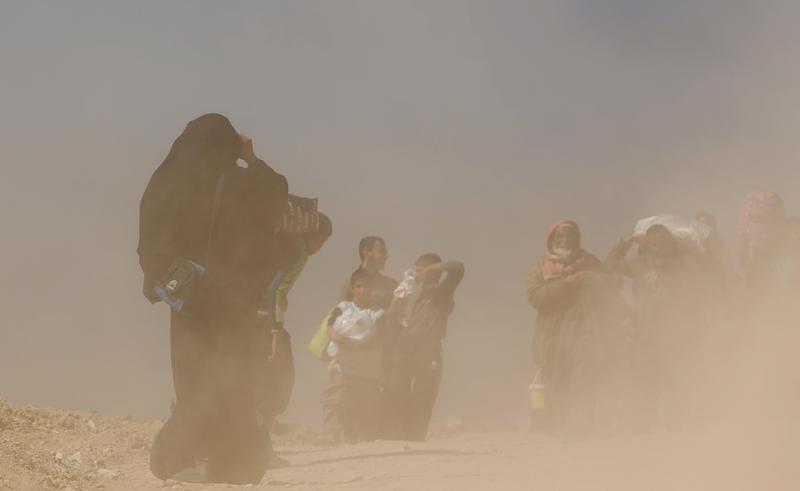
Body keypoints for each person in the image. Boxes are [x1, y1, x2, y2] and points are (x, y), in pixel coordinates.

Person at [139, 114, 288, 484]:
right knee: (231, 380)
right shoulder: (238, 183)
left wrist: (168, 278)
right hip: (230, 302)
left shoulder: (165, 182)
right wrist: (251, 159)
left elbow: (150, 242)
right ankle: (227, 463)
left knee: (194, 379)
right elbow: (276, 196)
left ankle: (188, 459)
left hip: (188, 301)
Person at [527, 221, 623, 439]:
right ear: (551, 240)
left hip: (585, 330)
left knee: (582, 377)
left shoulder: (588, 262)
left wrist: (588, 278)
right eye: (559, 236)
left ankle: (579, 425)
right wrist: (569, 283)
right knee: (555, 379)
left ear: (577, 239)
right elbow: (536, 297)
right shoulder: (540, 268)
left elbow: (613, 283)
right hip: (552, 334)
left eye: (570, 236)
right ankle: (557, 425)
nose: (564, 241)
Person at [607, 224, 708, 430]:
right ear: (647, 245)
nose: (658, 245)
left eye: (662, 240)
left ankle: (675, 421)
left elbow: (702, 283)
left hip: (678, 331)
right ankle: (644, 420)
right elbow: (611, 264)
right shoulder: (640, 264)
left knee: (677, 377)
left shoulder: (685, 264)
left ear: (671, 242)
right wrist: (625, 243)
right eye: (653, 242)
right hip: (646, 332)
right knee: (646, 376)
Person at [258, 213, 332, 466]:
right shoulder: (298, 251)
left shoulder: (273, 242)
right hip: (264, 322)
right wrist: (275, 329)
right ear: (319, 238)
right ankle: (260, 449)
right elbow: (277, 290)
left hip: (241, 317)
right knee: (277, 383)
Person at [383, 254, 464, 441]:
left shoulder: (442, 290)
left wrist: (433, 268)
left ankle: (415, 438)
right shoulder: (411, 291)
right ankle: (397, 436)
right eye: (417, 269)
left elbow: (458, 267)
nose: (416, 273)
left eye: (421, 269)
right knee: (396, 390)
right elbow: (391, 318)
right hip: (405, 346)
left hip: (429, 347)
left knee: (423, 394)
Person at [321, 269, 386, 443]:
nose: (363, 289)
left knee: (362, 403)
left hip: (366, 369)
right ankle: (331, 437)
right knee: (334, 400)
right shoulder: (343, 307)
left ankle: (359, 438)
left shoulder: (377, 313)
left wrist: (361, 345)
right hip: (342, 366)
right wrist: (337, 338)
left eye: (367, 286)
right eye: (359, 286)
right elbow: (329, 326)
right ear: (353, 289)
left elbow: (380, 337)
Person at [340, 236, 398, 310]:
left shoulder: (391, 285)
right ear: (366, 251)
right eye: (381, 251)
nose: (386, 256)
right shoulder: (349, 285)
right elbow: (343, 314)